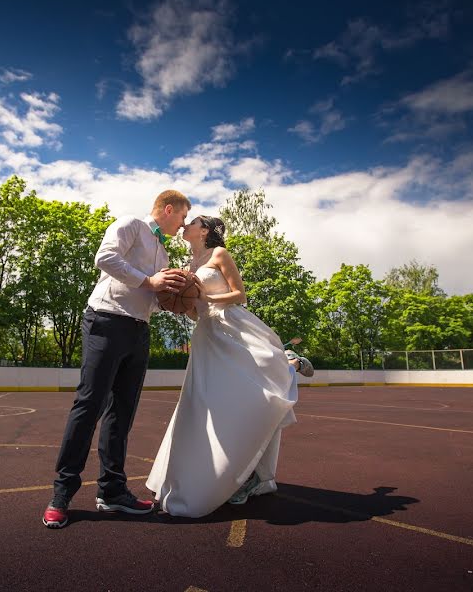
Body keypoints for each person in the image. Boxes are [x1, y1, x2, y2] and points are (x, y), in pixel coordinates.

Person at [42, 189, 192, 529]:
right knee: (89, 405)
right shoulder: (131, 224)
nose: (183, 225)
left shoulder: (164, 256)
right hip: (106, 320)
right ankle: (61, 494)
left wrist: (176, 298)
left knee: (121, 412)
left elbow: (151, 297)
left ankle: (111, 491)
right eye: (182, 217)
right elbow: (105, 258)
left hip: (139, 330)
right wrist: (149, 281)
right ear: (169, 209)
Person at [146, 216, 299, 517]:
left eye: (191, 222)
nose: (184, 226)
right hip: (205, 336)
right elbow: (194, 312)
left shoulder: (219, 254)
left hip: (232, 329)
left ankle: (290, 362)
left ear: (204, 230)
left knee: (258, 395)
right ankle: (218, 475)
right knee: (204, 406)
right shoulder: (188, 266)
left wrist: (205, 295)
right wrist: (179, 303)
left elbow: (239, 295)